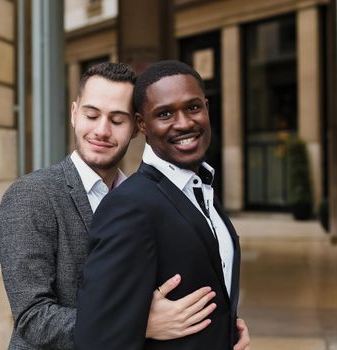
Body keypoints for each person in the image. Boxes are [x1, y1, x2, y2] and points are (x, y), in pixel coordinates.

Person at [0, 62, 235, 349]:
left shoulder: (147, 197)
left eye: (117, 120)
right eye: (91, 115)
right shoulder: (31, 195)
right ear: (74, 114)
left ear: (136, 127)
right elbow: (31, 318)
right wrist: (136, 323)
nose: (102, 130)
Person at [75, 60, 249, 350]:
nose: (183, 123)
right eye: (165, 113)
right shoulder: (129, 206)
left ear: (206, 107)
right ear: (142, 124)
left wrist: (228, 331)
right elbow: (97, 338)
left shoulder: (201, 188)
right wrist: (140, 322)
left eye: (193, 107)